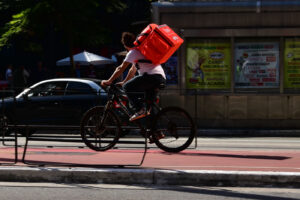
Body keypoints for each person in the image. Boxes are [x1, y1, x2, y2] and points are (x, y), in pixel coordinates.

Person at [101, 32, 166, 121]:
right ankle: (155, 131)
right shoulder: (141, 50)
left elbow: (121, 68)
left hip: (151, 78)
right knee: (149, 108)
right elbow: (132, 70)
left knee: (127, 87)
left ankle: (139, 110)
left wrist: (109, 80)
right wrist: (124, 81)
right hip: (159, 78)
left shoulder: (133, 52)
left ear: (125, 46)